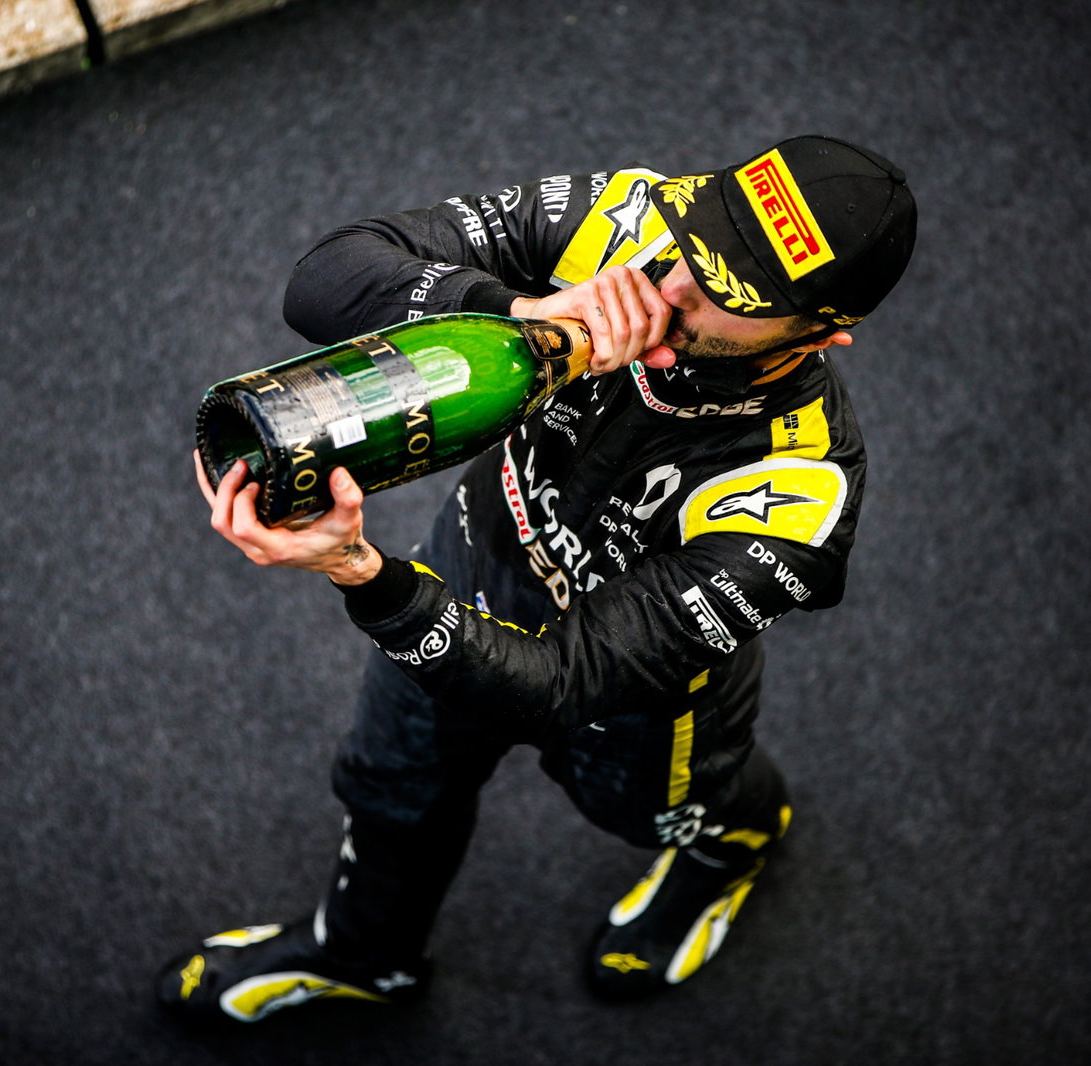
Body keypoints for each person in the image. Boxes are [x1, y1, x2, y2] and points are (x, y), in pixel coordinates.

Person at [158, 136, 917, 1023]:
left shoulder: (803, 489)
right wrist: (520, 309)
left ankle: (736, 846)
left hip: (635, 704)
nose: (669, 291)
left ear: (826, 333)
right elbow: (324, 276)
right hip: (474, 565)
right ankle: (366, 956)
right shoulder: (624, 216)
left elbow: (562, 682)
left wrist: (361, 573)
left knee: (667, 814)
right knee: (388, 784)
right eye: (693, 242)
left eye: (728, 294)